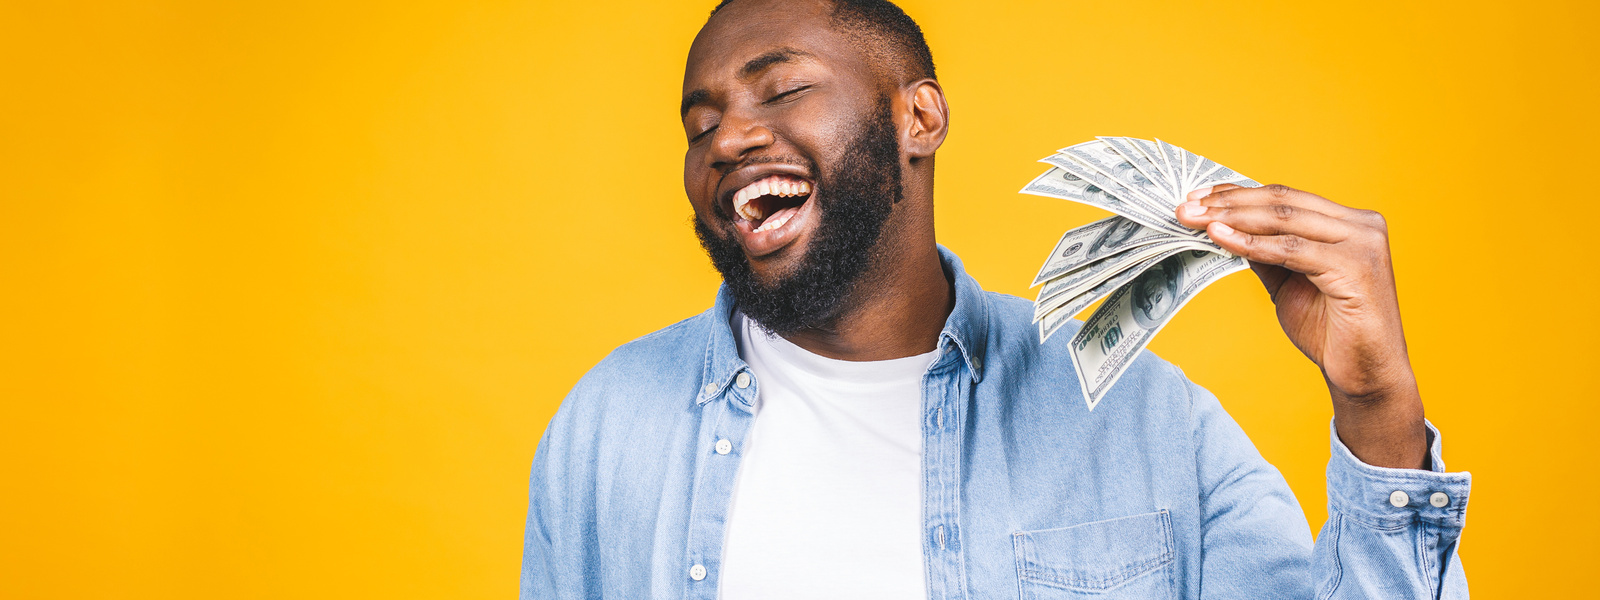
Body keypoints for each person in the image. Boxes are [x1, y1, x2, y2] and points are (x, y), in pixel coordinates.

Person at [520, 0, 1471, 598]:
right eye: (702, 123)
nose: (726, 140)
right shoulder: (608, 426)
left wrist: (1379, 412)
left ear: (919, 117)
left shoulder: (1146, 421)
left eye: (780, 91)